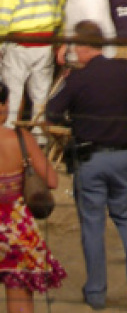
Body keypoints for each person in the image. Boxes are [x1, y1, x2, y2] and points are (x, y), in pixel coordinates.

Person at [46, 21, 127, 311]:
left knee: (92, 226)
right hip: (124, 156)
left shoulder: (77, 79)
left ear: (82, 46)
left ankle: (96, 294)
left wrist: (67, 82)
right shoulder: (126, 69)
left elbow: (51, 113)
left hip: (90, 159)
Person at [0, 79, 64, 312]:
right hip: (15, 226)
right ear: (5, 105)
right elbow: (52, 181)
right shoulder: (21, 138)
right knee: (18, 290)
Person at [0, 0, 64, 131]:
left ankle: (11, 133)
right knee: (40, 95)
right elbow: (62, 14)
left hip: (18, 45)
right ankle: (39, 135)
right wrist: (58, 42)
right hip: (45, 45)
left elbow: (2, 19)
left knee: (14, 92)